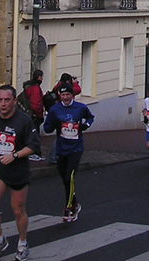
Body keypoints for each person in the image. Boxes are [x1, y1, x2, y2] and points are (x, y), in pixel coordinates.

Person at [0, 85, 41, 261]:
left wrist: (14, 155)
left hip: (18, 172)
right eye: (0, 100)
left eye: (7, 100)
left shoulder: (23, 121)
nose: (3, 104)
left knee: (18, 210)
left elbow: (34, 146)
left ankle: (22, 243)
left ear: (14, 101)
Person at [44, 82, 94, 222]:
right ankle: (75, 203)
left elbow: (90, 117)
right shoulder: (55, 109)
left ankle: (69, 208)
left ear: (73, 95)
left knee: (69, 177)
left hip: (76, 148)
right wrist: (54, 124)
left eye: (68, 94)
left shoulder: (80, 108)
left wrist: (85, 125)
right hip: (61, 148)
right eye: (63, 94)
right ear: (60, 95)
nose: (65, 97)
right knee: (64, 179)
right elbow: (47, 128)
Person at [48, 73, 82, 164]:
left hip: (58, 113)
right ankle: (55, 157)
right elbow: (78, 90)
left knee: (61, 135)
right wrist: (74, 83)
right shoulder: (66, 88)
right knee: (63, 136)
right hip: (64, 114)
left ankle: (57, 156)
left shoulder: (57, 86)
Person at [25, 69, 45, 161]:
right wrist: (39, 115)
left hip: (29, 114)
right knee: (35, 135)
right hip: (34, 116)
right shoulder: (35, 88)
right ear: (39, 77)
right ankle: (35, 152)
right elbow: (36, 103)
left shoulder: (29, 87)